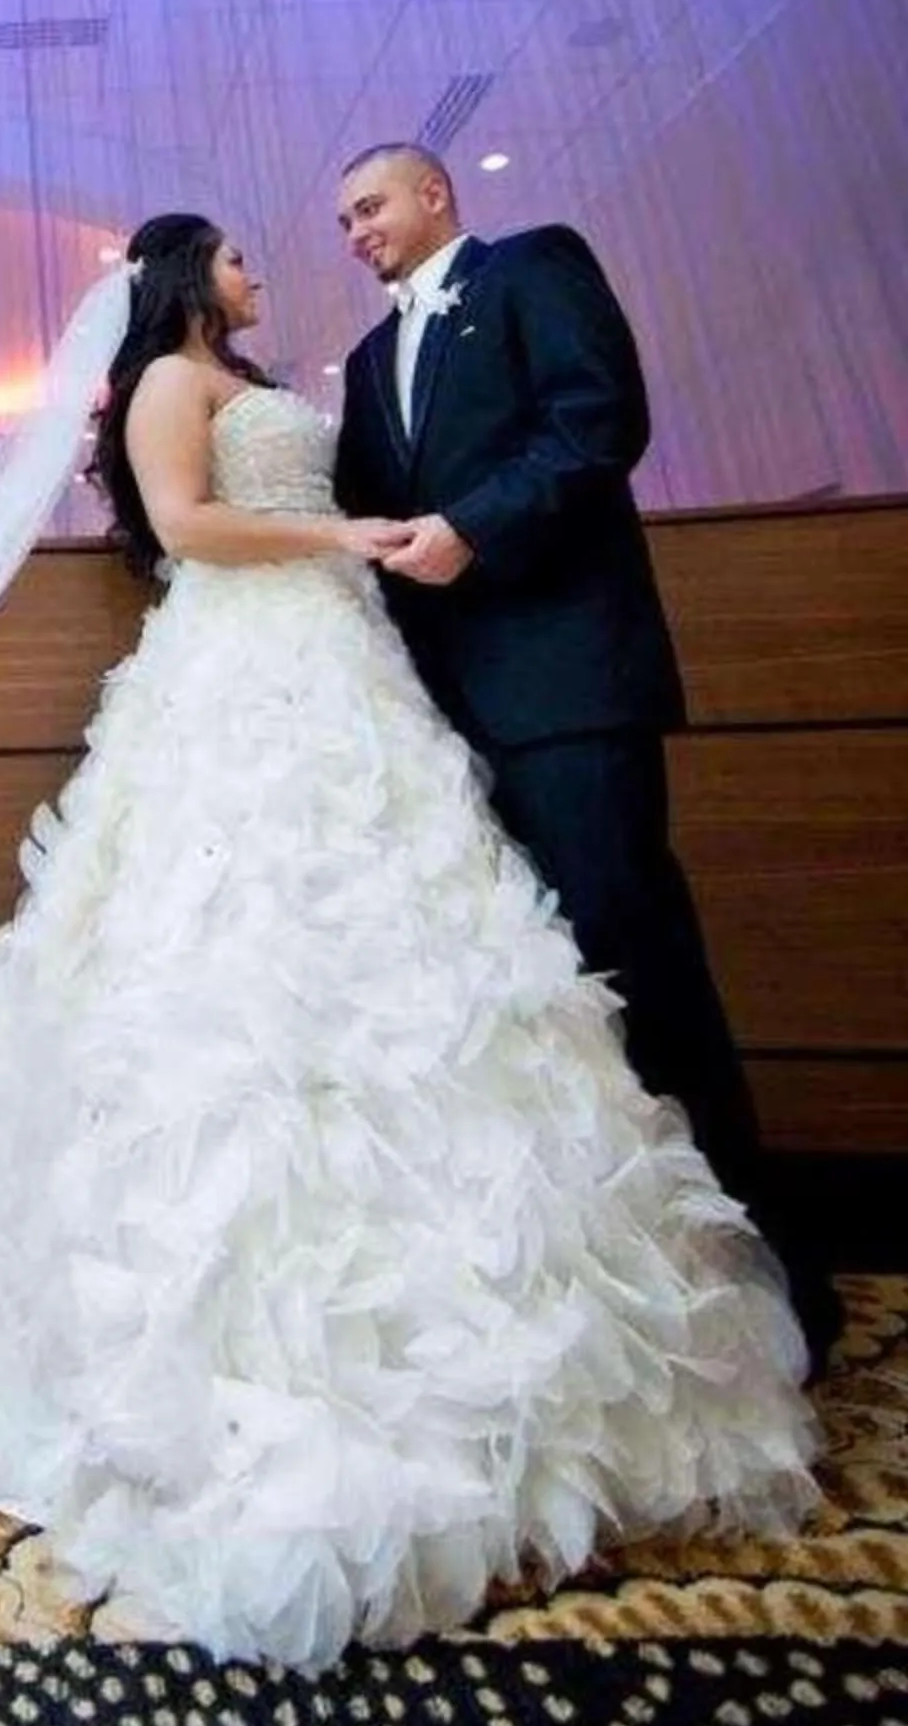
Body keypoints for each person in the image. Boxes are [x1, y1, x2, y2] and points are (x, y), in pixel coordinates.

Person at [0, 211, 818, 1671]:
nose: (263, 265)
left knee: (414, 941)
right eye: (235, 255)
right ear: (183, 276)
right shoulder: (168, 375)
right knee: (240, 950)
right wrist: (336, 533)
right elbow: (186, 528)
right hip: (250, 660)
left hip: (342, 660)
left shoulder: (262, 369)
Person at [331, 144, 841, 1372]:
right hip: (443, 720)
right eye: (342, 219)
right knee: (534, 1004)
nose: (355, 231)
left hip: (566, 688)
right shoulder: (361, 361)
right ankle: (619, 1299)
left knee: (635, 962)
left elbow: (596, 421)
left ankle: (772, 1284)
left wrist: (473, 529)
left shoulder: (530, 267)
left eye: (370, 205)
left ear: (435, 193)